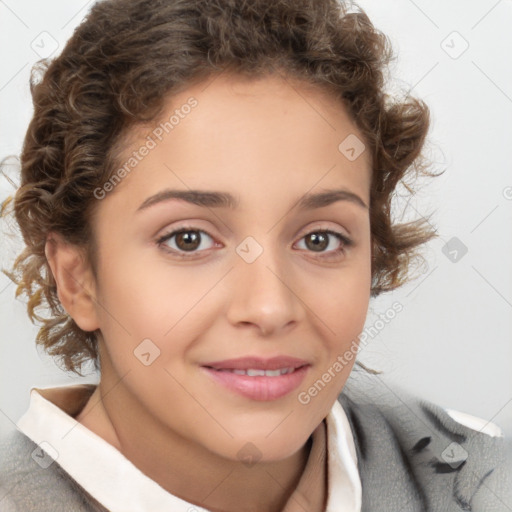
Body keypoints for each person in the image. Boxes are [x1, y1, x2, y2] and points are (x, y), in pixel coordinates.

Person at [0, 0, 509, 510]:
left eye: (319, 239)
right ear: (77, 278)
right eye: (189, 239)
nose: (269, 308)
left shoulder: (488, 480)